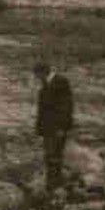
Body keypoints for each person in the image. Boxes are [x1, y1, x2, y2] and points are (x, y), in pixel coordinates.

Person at [34, 63, 74, 192]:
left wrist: (63, 127)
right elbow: (42, 111)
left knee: (55, 156)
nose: (37, 78)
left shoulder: (61, 82)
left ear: (42, 72)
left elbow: (67, 107)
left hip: (57, 128)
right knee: (50, 155)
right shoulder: (45, 86)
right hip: (48, 129)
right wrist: (39, 130)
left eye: (37, 75)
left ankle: (55, 185)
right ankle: (52, 184)